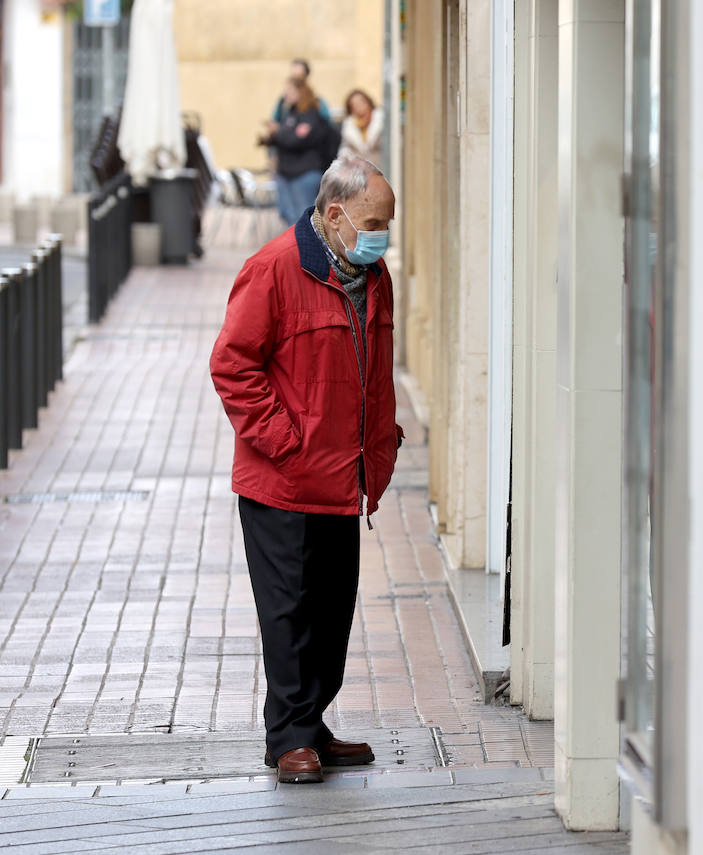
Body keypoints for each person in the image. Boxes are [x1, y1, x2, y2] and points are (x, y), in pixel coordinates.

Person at [209, 156, 404, 784]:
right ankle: (287, 738)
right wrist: (286, 441)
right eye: (376, 222)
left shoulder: (373, 277)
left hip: (343, 478)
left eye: (389, 225)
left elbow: (374, 375)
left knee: (331, 611)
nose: (384, 236)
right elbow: (232, 366)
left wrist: (378, 448)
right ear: (336, 213)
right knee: (289, 612)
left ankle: (310, 724)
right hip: (285, 480)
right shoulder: (270, 271)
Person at [261, 78, 330, 225]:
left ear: (301, 92)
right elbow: (286, 137)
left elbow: (296, 140)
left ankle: (307, 248)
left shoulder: (311, 114)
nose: (286, 94)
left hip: (304, 174)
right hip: (285, 173)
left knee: (305, 219)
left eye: (290, 90)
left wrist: (279, 131)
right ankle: (297, 247)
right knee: (287, 214)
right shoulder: (289, 114)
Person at [272, 58, 331, 124]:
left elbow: (326, 124)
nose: (295, 82)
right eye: (293, 77)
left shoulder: (316, 102)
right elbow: (275, 120)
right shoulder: (283, 101)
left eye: (299, 77)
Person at [340, 89, 384, 164]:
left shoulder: (382, 120)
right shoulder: (349, 127)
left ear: (368, 103)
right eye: (354, 105)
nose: (359, 107)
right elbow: (344, 151)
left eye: (361, 102)